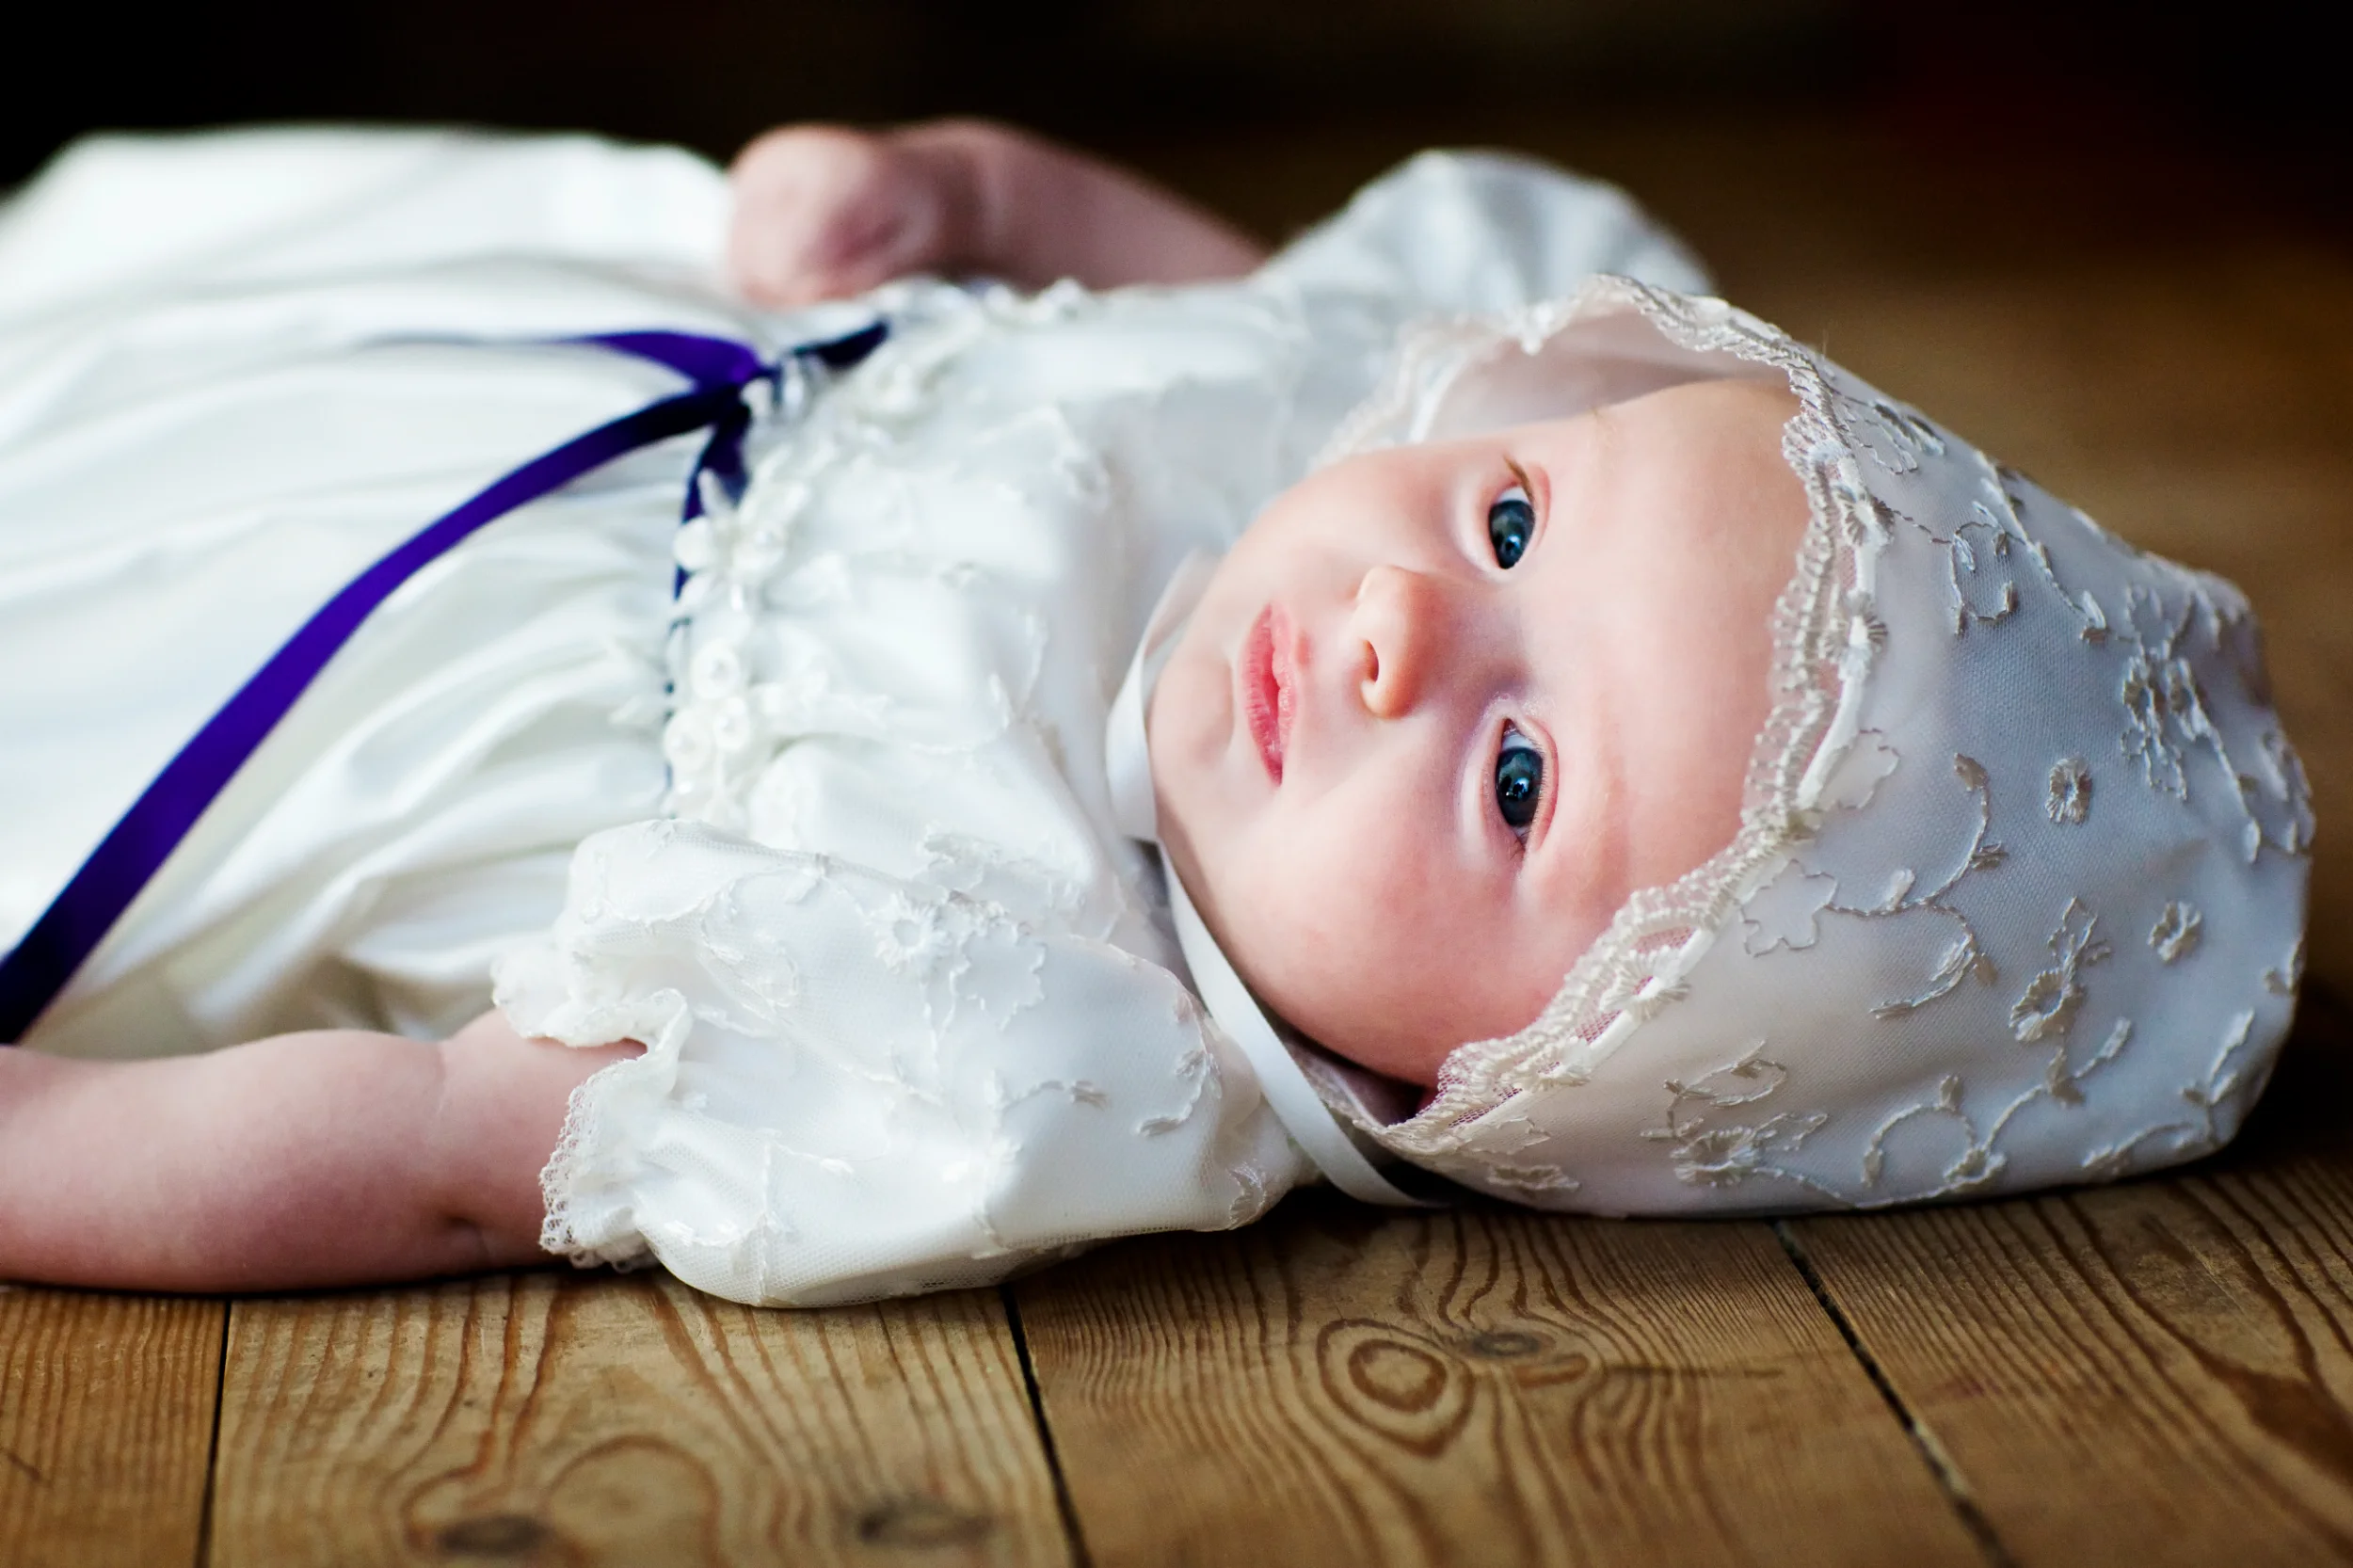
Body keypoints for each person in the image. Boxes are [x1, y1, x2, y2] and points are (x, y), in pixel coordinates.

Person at [0, 121, 2308, 1306]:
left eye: (1518, 778)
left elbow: (430, 1141)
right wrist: (954, 188)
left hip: (294, 706)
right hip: (481, 358)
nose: (1397, 625)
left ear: (1498, 1089)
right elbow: (1193, 280)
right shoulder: (1328, 410)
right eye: (1511, 516)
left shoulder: (1008, 1021)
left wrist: (53, 1148)